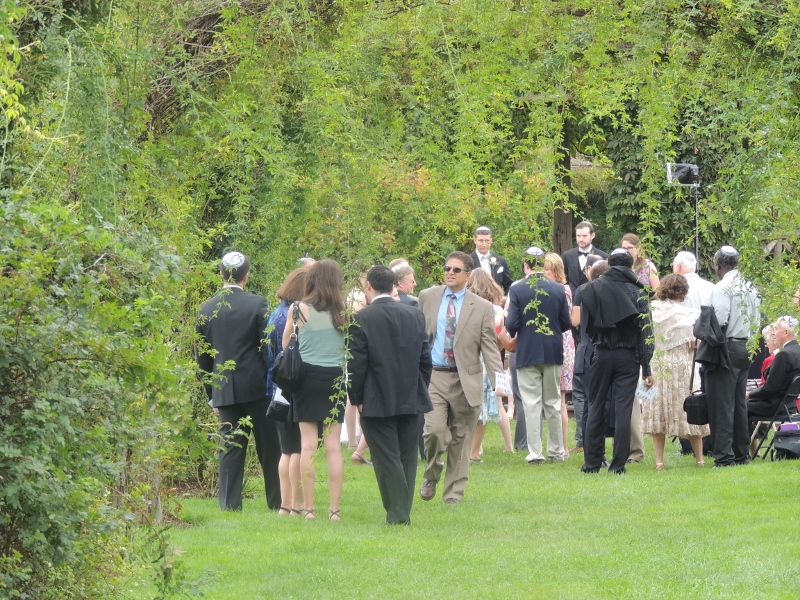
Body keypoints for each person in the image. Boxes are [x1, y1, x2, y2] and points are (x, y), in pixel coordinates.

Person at [196, 252, 281, 511]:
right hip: (257, 387)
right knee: (269, 447)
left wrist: (211, 393)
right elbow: (267, 348)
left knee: (230, 448)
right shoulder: (258, 304)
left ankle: (229, 505)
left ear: (221, 274)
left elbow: (203, 359)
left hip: (224, 388)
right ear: (246, 276)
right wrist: (274, 383)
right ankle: (277, 501)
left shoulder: (206, 308)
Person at [418, 251, 504, 504]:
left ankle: (453, 495)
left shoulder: (482, 307)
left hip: (466, 379)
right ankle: (432, 473)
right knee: (433, 431)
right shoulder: (427, 297)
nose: (450, 273)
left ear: (468, 275)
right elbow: (418, 336)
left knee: (461, 439)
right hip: (434, 376)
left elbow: (489, 347)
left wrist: (499, 381)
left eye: (456, 270)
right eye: (447, 268)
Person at [348, 266, 432, 524]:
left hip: (375, 398)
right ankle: (401, 511)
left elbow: (356, 365)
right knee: (407, 456)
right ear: (394, 285)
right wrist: (419, 387)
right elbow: (425, 360)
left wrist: (357, 398)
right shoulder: (415, 315)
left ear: (369, 287)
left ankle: (398, 515)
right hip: (411, 394)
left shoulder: (361, 319)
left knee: (386, 458)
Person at [281, 259, 347, 519]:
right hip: (334, 379)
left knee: (307, 445)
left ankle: (308, 508)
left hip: (306, 378)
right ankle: (335, 510)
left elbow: (286, 346)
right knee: (333, 447)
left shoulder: (299, 309)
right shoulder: (345, 312)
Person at [580, 249, 654, 474]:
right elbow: (646, 334)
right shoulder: (639, 292)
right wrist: (646, 366)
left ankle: (592, 463)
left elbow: (587, 326)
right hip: (628, 356)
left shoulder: (593, 288)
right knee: (623, 409)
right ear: (631, 266)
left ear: (609, 265)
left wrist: (598, 343)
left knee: (595, 406)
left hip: (601, 353)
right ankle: (618, 465)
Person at [505, 247, 571, 464]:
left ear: (525, 265)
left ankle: (535, 453)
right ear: (543, 264)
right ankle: (557, 451)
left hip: (527, 351)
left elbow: (512, 325)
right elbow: (565, 323)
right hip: (552, 350)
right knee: (552, 401)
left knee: (531, 402)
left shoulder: (517, 289)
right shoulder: (558, 289)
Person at [641, 274, 708, 469]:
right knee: (691, 406)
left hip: (656, 365)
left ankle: (660, 462)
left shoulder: (650, 311)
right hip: (682, 366)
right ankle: (699, 459)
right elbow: (693, 344)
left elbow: (646, 339)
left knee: (656, 409)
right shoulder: (687, 315)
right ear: (682, 292)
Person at [703, 245, 760, 467]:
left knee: (721, 403)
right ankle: (740, 453)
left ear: (718, 266)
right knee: (738, 403)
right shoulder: (750, 286)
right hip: (747, 345)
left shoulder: (722, 287)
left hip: (727, 347)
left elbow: (719, 320)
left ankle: (724, 457)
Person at [267, 266, 310, 515]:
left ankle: (285, 504)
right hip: (295, 383)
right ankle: (297, 503)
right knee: (297, 449)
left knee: (286, 449)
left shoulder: (276, 313)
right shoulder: (295, 315)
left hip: (278, 386)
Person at [465, 269, 514, 460]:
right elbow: (500, 339)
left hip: (470, 358)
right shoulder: (497, 310)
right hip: (491, 358)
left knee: (473, 403)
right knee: (495, 403)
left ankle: (476, 448)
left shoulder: (466, 308)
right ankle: (507, 446)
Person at [572, 257, 609, 449]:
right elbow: (576, 320)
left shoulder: (583, 290)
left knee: (589, 402)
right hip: (593, 351)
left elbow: (577, 321)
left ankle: (588, 445)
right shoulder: (591, 292)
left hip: (586, 350)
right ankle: (593, 448)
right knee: (594, 403)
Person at [542, 252, 576, 458]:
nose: (543, 273)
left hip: (561, 342)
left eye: (546, 269)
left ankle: (562, 445)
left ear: (555, 270)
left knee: (559, 398)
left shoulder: (562, 290)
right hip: (557, 340)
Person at [746, 316, 800, 420]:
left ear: (786, 333)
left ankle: (741, 437)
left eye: (776, 328)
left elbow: (769, 389)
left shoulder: (784, 355)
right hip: (790, 405)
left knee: (738, 406)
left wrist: (749, 394)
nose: (773, 333)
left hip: (774, 407)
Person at [562, 221, 608, 296]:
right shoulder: (567, 255)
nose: (580, 239)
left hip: (593, 300)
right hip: (572, 301)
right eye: (578, 236)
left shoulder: (603, 256)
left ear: (592, 235)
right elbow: (564, 279)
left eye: (584, 236)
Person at [469, 226, 514, 294]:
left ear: (491, 240)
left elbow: (508, 284)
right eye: (481, 240)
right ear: (475, 240)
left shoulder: (500, 261)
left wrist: (505, 300)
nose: (484, 244)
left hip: (496, 301)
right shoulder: (467, 260)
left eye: (487, 241)